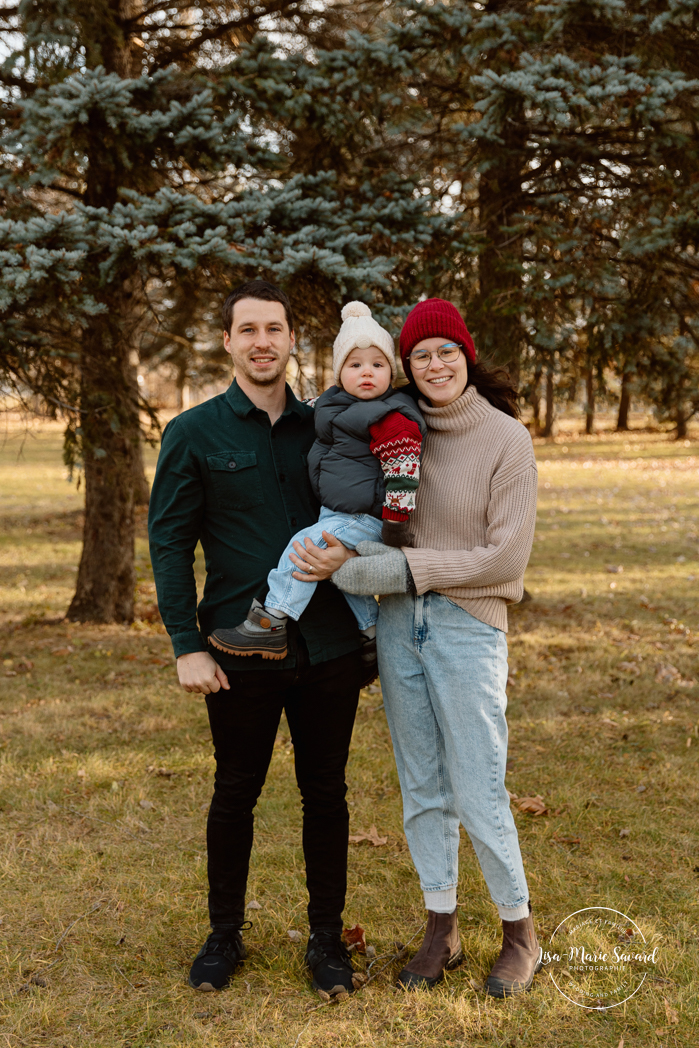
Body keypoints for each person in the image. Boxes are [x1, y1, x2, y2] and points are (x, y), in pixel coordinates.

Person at [299, 298, 541, 998]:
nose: (433, 364)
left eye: (446, 351)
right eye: (421, 354)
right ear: (406, 364)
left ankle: (518, 931)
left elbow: (506, 559)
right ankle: (441, 926)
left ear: (465, 356)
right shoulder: (389, 425)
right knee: (422, 788)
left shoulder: (505, 439)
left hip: (468, 624)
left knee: (477, 786)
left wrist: (410, 570)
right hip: (400, 626)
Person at [148, 280, 373, 998]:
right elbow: (169, 543)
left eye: (273, 329)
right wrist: (186, 642)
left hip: (331, 648)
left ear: (291, 341)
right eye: (247, 330)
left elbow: (372, 514)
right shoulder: (194, 433)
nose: (262, 342)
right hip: (238, 648)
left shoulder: (329, 426)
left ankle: (325, 941)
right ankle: (222, 937)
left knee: (325, 794)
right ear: (227, 342)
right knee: (235, 790)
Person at [208, 301, 424, 663]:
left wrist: (395, 528)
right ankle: (372, 634)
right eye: (355, 365)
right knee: (337, 572)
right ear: (341, 373)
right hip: (341, 512)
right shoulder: (335, 401)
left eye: (377, 364)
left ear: (392, 371)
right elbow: (315, 408)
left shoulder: (391, 417)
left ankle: (271, 621)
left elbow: (403, 472)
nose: (366, 373)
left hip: (368, 516)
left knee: (304, 547)